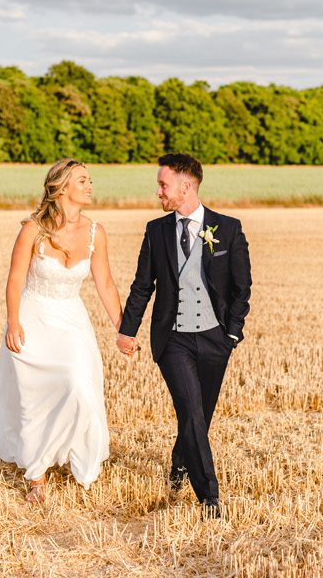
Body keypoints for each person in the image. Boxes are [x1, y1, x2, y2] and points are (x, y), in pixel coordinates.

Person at [116, 152, 253, 519]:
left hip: (214, 339)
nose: (158, 191)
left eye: (163, 184)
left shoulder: (228, 228)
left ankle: (179, 463)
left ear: (185, 186)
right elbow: (142, 286)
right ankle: (209, 497)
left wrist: (233, 334)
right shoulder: (155, 231)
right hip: (172, 338)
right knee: (191, 411)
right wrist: (126, 331)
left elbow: (242, 287)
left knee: (199, 416)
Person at [0, 158, 120, 503]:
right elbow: (14, 279)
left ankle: (74, 454)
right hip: (34, 317)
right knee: (34, 397)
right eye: (82, 180)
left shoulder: (96, 233)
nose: (89, 186)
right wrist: (13, 322)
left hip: (72, 320)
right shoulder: (32, 230)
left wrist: (123, 328)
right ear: (61, 187)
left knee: (79, 386)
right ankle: (36, 474)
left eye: (89, 180)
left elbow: (106, 284)